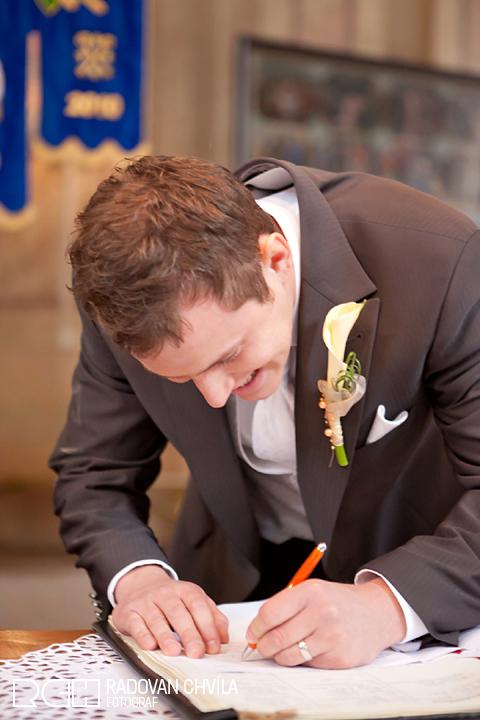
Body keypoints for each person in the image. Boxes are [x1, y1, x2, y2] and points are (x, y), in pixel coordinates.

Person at [50, 155, 480, 670]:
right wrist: (140, 580)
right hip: (231, 585)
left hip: (419, 584)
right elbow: (93, 473)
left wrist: (386, 604)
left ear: (274, 259)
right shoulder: (118, 304)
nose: (214, 396)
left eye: (228, 355)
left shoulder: (441, 261)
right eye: (181, 377)